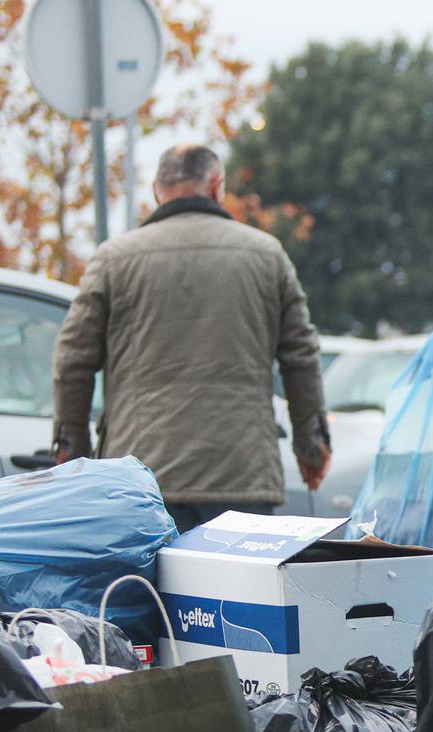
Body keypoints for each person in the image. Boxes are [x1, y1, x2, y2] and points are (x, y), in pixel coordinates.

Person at [52, 143, 331, 533]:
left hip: (141, 475)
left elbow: (73, 359)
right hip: (242, 472)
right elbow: (301, 355)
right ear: (217, 186)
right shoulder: (267, 255)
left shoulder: (114, 259)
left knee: (146, 593)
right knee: (236, 593)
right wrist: (311, 445)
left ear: (155, 190)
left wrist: (72, 448)